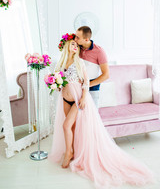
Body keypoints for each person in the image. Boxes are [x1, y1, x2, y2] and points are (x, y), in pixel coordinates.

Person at [48, 33, 155, 189]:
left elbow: (85, 83)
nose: (75, 47)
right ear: (66, 46)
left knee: (66, 125)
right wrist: (55, 84)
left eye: (76, 45)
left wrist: (84, 97)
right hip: (65, 99)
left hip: (78, 99)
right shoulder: (61, 63)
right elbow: (59, 81)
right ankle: (72, 152)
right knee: (70, 127)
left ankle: (69, 153)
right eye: (72, 44)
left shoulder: (80, 63)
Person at [75, 26, 109, 108]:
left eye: (78, 37)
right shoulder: (76, 48)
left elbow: (106, 75)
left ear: (86, 39)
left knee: (92, 114)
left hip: (92, 86)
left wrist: (87, 85)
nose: (75, 39)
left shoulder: (99, 51)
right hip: (77, 84)